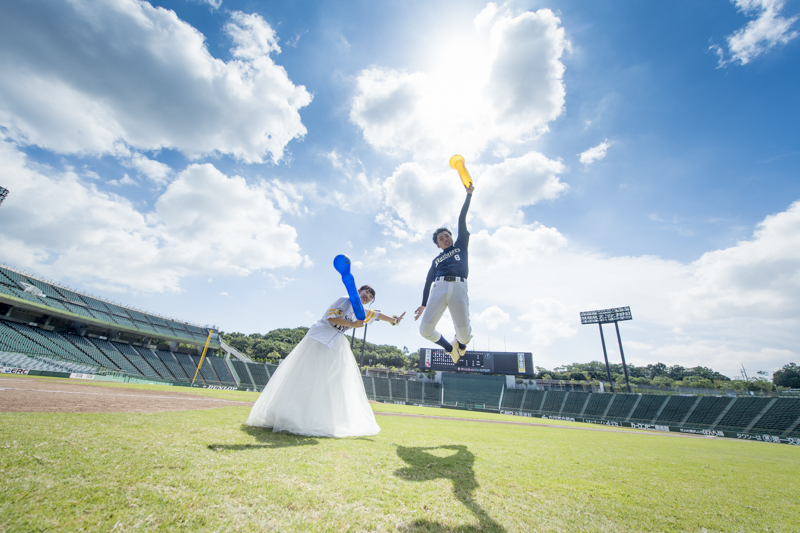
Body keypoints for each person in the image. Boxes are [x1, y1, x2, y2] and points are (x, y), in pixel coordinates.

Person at [246, 285, 405, 438]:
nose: (367, 296)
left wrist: (395, 320)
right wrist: (352, 324)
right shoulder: (345, 300)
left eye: (371, 296)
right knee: (307, 376)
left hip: (335, 343)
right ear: (358, 291)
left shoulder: (361, 310)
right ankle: (286, 415)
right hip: (319, 338)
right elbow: (331, 317)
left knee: (329, 382)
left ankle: (318, 419)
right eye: (366, 292)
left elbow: (377, 315)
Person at [414, 183, 474, 364]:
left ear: (452, 237)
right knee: (425, 330)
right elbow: (428, 281)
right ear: (437, 244)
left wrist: (468, 195)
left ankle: (460, 345)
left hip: (459, 286)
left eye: (447, 235)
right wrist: (423, 304)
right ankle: (449, 348)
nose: (445, 238)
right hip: (439, 287)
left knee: (465, 337)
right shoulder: (436, 260)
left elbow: (461, 218)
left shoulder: (461, 246)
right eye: (441, 238)